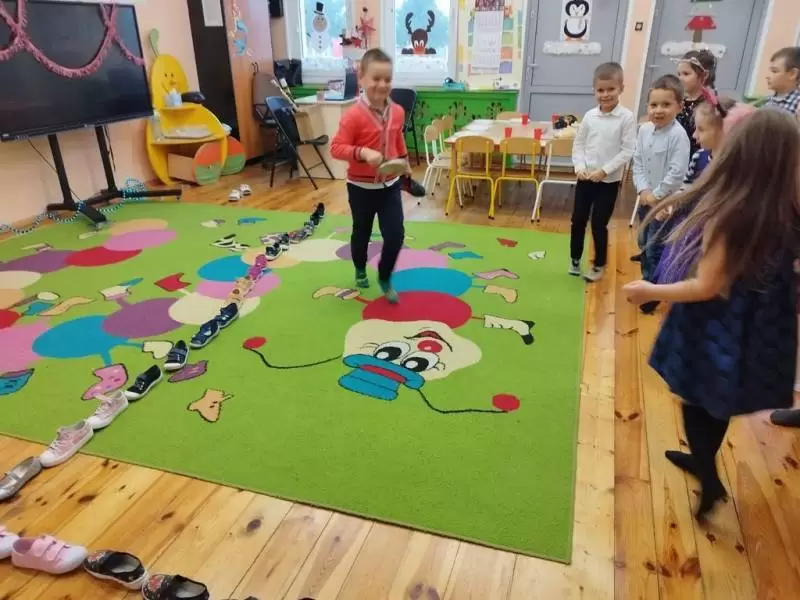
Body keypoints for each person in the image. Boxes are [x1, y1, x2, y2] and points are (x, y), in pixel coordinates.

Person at [623, 109, 799, 521]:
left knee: (695, 400)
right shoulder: (787, 211)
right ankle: (703, 460)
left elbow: (708, 286)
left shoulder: (732, 214)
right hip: (758, 328)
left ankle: (707, 474)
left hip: (714, 325)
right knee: (716, 401)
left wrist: (650, 290)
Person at [330, 48, 411, 303]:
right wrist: (363, 152)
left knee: (395, 235)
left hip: (390, 186)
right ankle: (359, 267)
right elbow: (336, 148)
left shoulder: (397, 111)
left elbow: (397, 138)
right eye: (376, 78)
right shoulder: (353, 116)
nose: (382, 84)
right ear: (362, 77)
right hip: (360, 189)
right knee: (361, 234)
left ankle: (385, 277)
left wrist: (405, 162)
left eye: (388, 79)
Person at [652, 95, 755, 284]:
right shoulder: (699, 157)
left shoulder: (741, 169)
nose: (694, 136)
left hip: (714, 239)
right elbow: (686, 189)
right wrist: (672, 205)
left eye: (700, 129)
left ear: (725, 131)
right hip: (689, 231)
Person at [569, 62, 637, 282]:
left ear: (621, 89)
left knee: (599, 223)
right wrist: (579, 167)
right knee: (578, 220)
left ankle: (599, 264)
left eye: (611, 89)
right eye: (600, 90)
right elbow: (579, 144)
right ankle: (575, 258)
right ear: (594, 91)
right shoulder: (590, 116)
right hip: (586, 179)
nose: (605, 94)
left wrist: (605, 171)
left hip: (608, 182)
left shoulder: (626, 118)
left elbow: (628, 150)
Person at [632, 74, 690, 313]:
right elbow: (638, 162)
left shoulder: (678, 136)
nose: (658, 110)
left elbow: (677, 173)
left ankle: (652, 292)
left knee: (654, 247)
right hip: (647, 199)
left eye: (666, 104)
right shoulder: (644, 130)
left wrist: (656, 195)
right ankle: (649, 279)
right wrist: (643, 190)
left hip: (665, 204)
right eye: (654, 104)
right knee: (643, 241)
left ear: (679, 106)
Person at [675, 50, 717, 158]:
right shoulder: (679, 101)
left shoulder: (708, 105)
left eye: (686, 74)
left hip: (696, 157)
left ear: (704, 75)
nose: (680, 78)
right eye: (679, 74)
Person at [764, 46, 800, 118]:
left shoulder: (797, 103)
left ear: (792, 74)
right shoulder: (768, 100)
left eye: (774, 71)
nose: (767, 76)